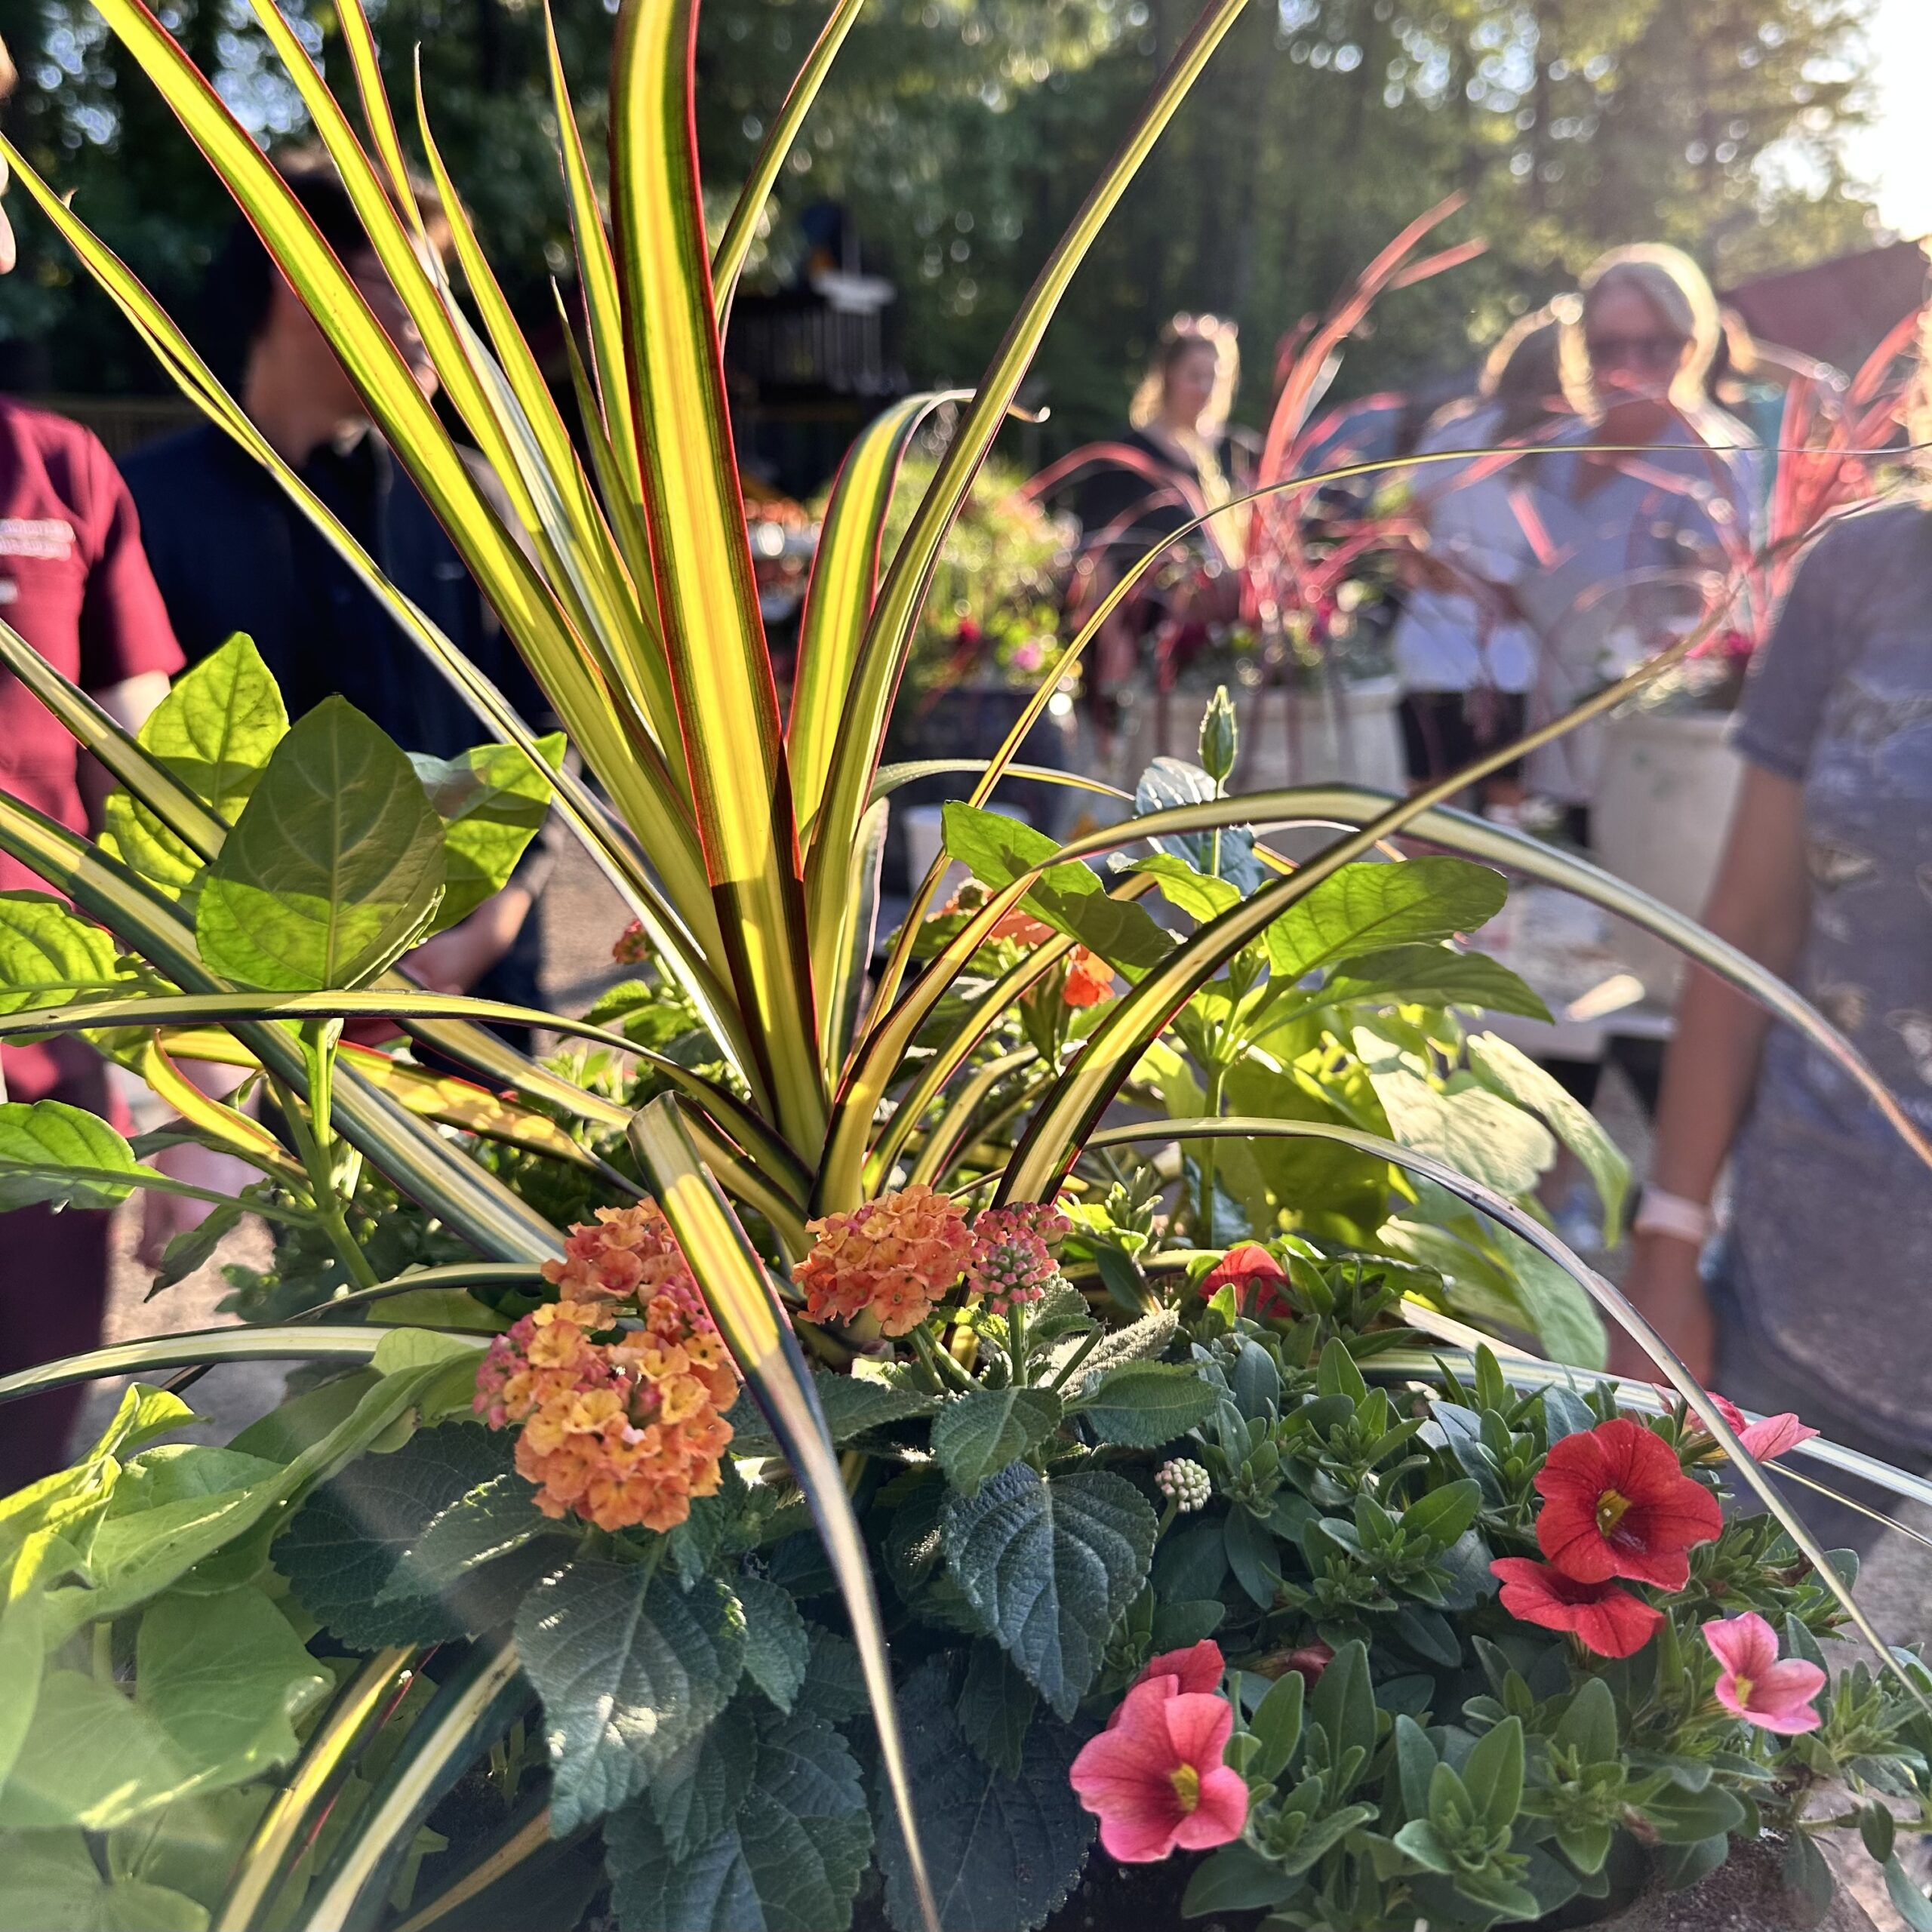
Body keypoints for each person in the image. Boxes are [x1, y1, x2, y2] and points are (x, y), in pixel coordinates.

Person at [122, 157, 553, 1017]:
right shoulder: (146, 510)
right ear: (301, 279)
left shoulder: (475, 499)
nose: (439, 327)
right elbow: (134, 777)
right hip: (255, 1033)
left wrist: (487, 928)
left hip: (467, 1013)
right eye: (408, 290)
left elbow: (543, 732)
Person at [1612, 478, 1932, 1557]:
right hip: (1799, 1304)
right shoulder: (1867, 571)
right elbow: (1749, 923)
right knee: (1671, 1712)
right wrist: (1666, 1242)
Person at [0, 37, 186, 1487]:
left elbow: (156, 782)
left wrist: (188, 1077)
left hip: (45, 1049)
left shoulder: (63, 473)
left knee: (40, 1433)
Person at [1514, 245, 1759, 823]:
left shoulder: (1714, 461)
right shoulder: (1554, 450)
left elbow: (1718, 622)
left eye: (1655, 347)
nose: (1629, 368)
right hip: (1527, 764)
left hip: (1645, 776)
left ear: (1691, 347)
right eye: (1608, 348)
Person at [1392, 306, 1566, 805]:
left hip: (1433, 643)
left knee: (1427, 812)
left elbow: (1406, 534)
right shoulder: (1565, 442)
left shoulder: (1451, 430)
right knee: (1510, 817)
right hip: (1519, 654)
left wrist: (1436, 574)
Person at [1069, 315, 1252, 715]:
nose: (1204, 389)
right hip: (1140, 645)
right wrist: (1113, 640)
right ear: (1167, 374)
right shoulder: (1127, 458)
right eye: (1194, 376)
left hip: (1213, 651)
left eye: (1213, 378)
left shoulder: (1232, 455)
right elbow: (1098, 556)